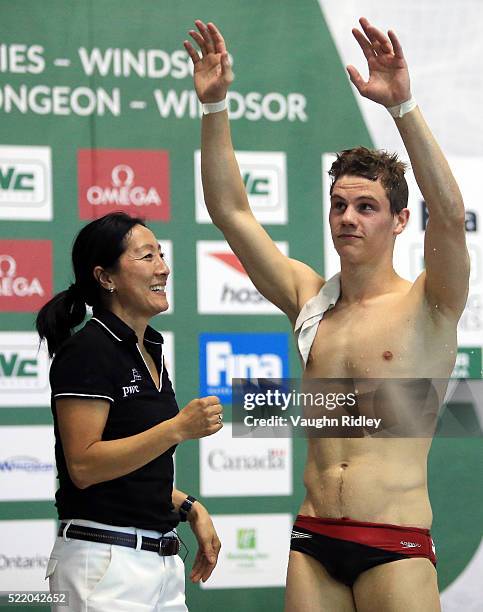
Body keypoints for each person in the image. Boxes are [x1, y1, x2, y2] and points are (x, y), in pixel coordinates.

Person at [184, 16, 470, 612]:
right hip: (313, 541)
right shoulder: (309, 296)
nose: (347, 218)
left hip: (395, 544)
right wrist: (214, 109)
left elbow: (447, 213)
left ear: (397, 222)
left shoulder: (430, 302)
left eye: (367, 207)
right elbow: (230, 212)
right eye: (339, 205)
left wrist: (404, 106)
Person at [36, 212, 223, 611]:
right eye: (147, 257)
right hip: (103, 566)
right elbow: (84, 466)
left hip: (161, 564)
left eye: (161, 254)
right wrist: (176, 428)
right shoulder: (88, 349)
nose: (164, 268)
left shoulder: (148, 347)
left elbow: (132, 471)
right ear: (106, 278)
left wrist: (190, 506)